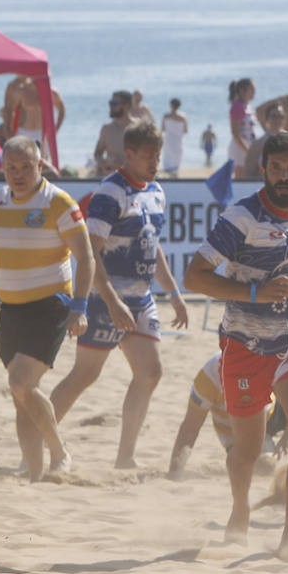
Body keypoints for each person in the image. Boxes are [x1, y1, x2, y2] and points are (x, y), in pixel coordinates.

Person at [182, 132, 288, 561]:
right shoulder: (241, 217)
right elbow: (193, 277)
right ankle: (239, 511)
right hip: (244, 340)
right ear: (264, 170)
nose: (284, 176)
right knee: (248, 450)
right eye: (276, 168)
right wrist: (256, 293)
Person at [50, 122, 189, 468]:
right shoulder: (110, 193)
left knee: (150, 373)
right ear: (129, 155)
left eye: (158, 155)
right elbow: (89, 253)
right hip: (104, 298)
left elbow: (151, 248)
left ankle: (125, 457)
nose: (155, 162)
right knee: (84, 376)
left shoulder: (156, 191)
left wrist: (174, 293)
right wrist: (111, 301)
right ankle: (37, 440)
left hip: (141, 299)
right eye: (148, 156)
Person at [0, 136, 93, 481]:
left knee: (20, 382)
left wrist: (80, 307)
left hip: (51, 306)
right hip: (11, 308)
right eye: (11, 168)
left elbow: (85, 257)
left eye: (26, 167)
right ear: (3, 169)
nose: (18, 174)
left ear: (40, 165)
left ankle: (60, 452)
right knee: (21, 394)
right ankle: (32, 468)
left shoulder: (58, 202)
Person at [168, 351, 288, 481]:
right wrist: (175, 472)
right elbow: (189, 429)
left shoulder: (263, 359)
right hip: (241, 430)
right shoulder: (209, 376)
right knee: (269, 468)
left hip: (274, 407)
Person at [0, 77, 66, 160]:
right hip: (24, 131)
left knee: (42, 162)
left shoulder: (51, 92)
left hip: (42, 133)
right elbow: (9, 109)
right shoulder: (22, 91)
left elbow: (62, 110)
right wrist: (8, 130)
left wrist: (55, 130)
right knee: (20, 160)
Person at [93, 90, 134, 178]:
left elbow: (148, 158)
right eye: (110, 103)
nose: (110, 106)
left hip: (133, 180)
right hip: (112, 180)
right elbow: (97, 153)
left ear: (126, 106)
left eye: (114, 103)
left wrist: (123, 166)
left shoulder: (139, 129)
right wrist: (103, 163)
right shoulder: (107, 129)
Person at [242, 103, 287, 180]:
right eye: (274, 116)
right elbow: (249, 172)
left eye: (280, 116)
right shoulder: (257, 144)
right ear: (267, 119)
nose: (277, 119)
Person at [228, 78, 258, 169]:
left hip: (248, 147)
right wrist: (247, 151)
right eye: (251, 89)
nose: (254, 92)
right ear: (242, 91)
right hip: (240, 149)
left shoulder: (248, 106)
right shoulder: (237, 106)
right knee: (241, 178)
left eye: (254, 89)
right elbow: (235, 133)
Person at [161, 98, 188, 176]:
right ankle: (175, 174)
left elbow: (162, 129)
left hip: (168, 139)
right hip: (178, 140)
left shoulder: (166, 116)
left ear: (171, 106)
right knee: (177, 159)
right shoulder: (183, 117)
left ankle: (169, 174)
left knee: (168, 158)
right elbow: (185, 130)